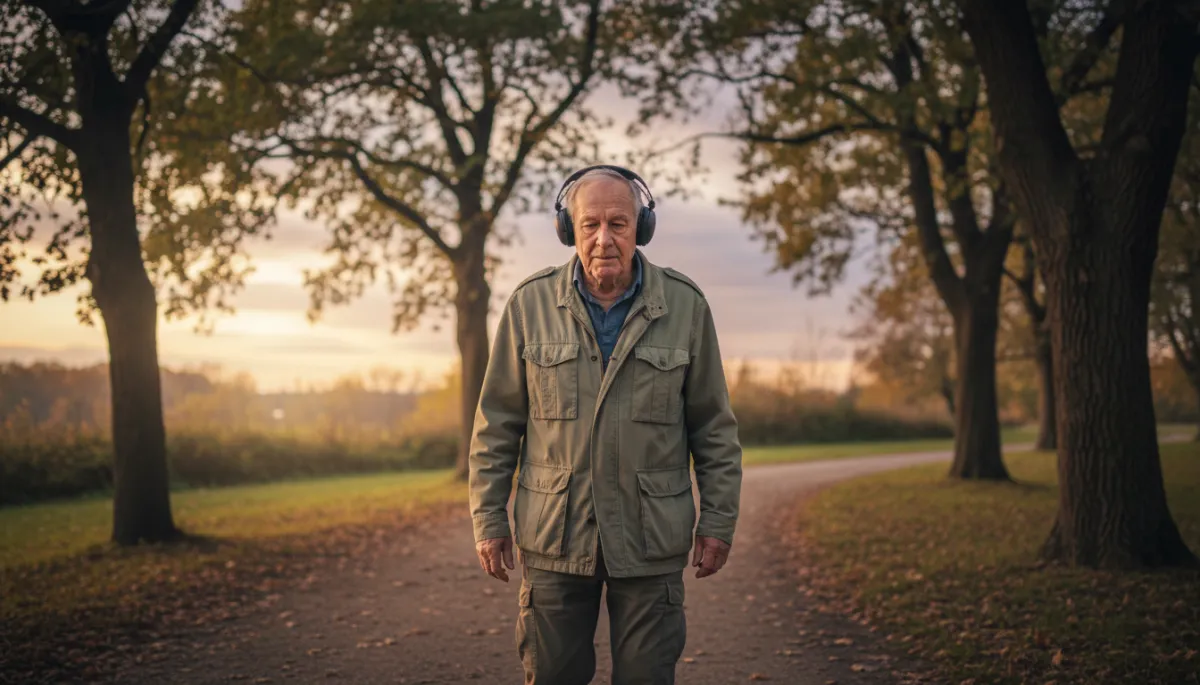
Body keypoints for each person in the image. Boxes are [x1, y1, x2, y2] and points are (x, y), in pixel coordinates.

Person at [468, 165, 742, 684]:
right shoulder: (529, 305)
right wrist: (488, 521)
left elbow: (714, 431)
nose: (604, 238)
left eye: (619, 223)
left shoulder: (686, 306)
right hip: (554, 536)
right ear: (567, 230)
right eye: (589, 224)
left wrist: (718, 522)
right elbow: (496, 427)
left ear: (642, 227)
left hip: (650, 540)